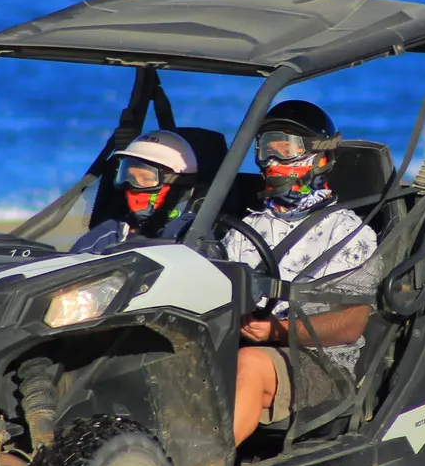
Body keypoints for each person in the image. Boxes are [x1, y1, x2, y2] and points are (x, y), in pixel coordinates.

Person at [223, 100, 379, 447]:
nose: (274, 163)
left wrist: (274, 331)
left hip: (324, 365)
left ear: (319, 158)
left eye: (287, 151)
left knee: (249, 362)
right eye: (267, 151)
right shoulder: (243, 229)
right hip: (244, 346)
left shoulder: (350, 234)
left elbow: (350, 325)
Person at [69, 130, 201, 254]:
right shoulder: (109, 234)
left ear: (178, 185)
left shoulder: (192, 234)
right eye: (129, 178)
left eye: (146, 179)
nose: (132, 187)